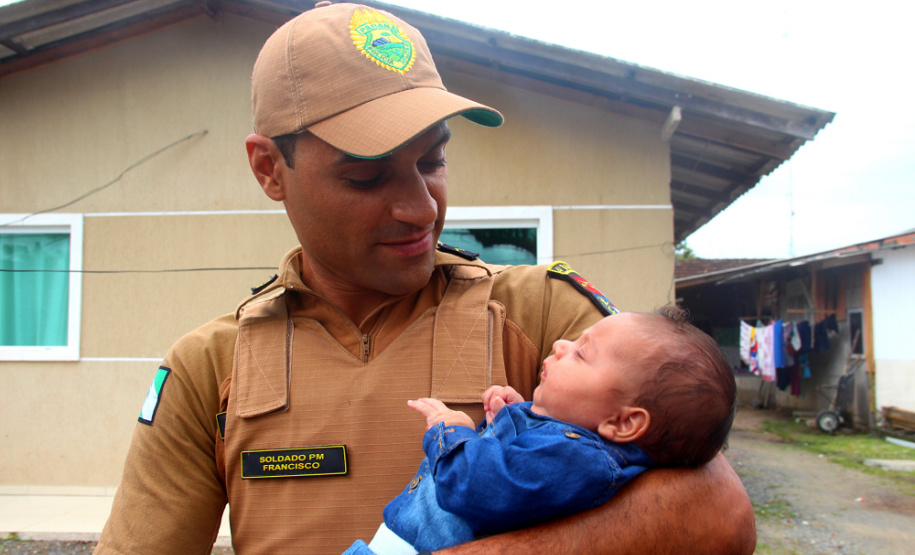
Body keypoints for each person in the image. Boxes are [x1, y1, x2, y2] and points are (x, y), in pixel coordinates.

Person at [94, 3, 755, 555]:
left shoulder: (546, 314)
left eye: (433, 160)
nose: (420, 207)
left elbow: (717, 510)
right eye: (366, 175)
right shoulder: (209, 368)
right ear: (269, 168)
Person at [345, 307, 737, 555]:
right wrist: (515, 417)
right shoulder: (574, 446)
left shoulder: (577, 460)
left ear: (623, 422)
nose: (561, 343)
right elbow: (527, 472)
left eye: (582, 354)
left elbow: (476, 487)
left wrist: (453, 431)